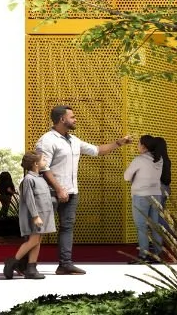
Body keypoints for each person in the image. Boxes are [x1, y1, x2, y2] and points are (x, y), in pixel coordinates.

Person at [36, 103, 133, 276]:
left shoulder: (74, 140)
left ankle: (65, 264)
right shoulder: (47, 140)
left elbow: (97, 150)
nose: (75, 119)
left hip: (72, 192)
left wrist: (120, 142)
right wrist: (58, 189)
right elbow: (43, 168)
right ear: (62, 119)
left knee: (67, 227)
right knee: (39, 228)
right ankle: (24, 263)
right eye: (72, 116)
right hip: (51, 192)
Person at [3, 150, 53, 280]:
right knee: (34, 240)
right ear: (36, 164)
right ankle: (13, 261)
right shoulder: (29, 179)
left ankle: (31, 268)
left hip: (43, 215)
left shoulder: (40, 178)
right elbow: (29, 199)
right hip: (35, 217)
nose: (45, 161)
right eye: (43, 160)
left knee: (37, 241)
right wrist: (35, 216)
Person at [125, 134, 168, 263]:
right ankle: (158, 254)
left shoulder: (139, 160)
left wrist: (135, 177)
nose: (137, 146)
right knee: (155, 225)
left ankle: (143, 256)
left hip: (141, 196)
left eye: (138, 143)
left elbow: (126, 177)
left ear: (143, 146)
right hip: (156, 195)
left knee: (141, 226)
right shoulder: (159, 160)